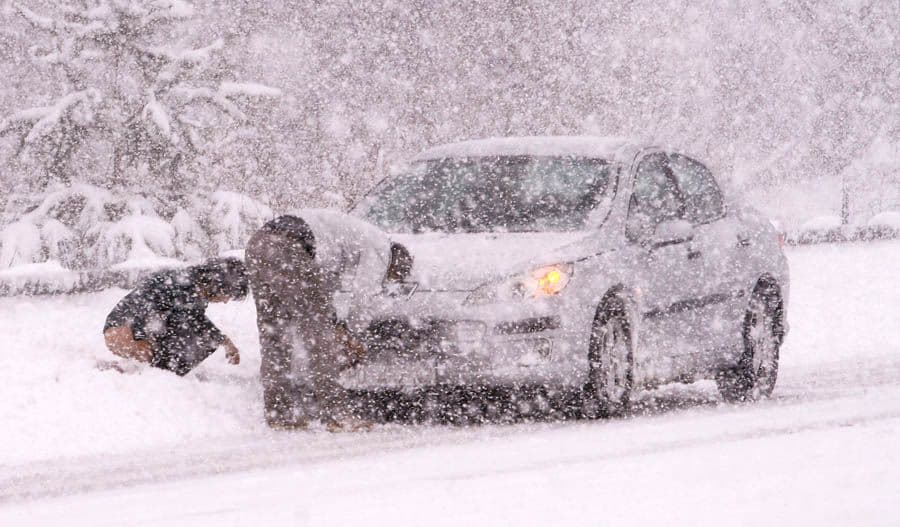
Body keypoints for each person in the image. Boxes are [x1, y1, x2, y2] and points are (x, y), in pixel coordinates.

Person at [245, 210, 412, 432]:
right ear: (395, 264)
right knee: (321, 341)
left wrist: (337, 325)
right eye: (390, 278)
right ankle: (338, 415)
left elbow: (322, 287)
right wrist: (351, 334)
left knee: (274, 335)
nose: (386, 282)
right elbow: (364, 295)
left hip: (259, 244)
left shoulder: (348, 239)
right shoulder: (381, 247)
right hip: (289, 248)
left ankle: (279, 413)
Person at [102, 257, 249, 376]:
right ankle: (152, 374)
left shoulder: (194, 286)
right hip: (122, 330)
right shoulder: (182, 284)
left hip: (132, 330)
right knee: (197, 337)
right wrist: (140, 343)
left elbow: (196, 319)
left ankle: (156, 373)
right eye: (228, 294)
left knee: (203, 337)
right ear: (217, 283)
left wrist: (224, 341)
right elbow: (144, 307)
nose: (225, 301)